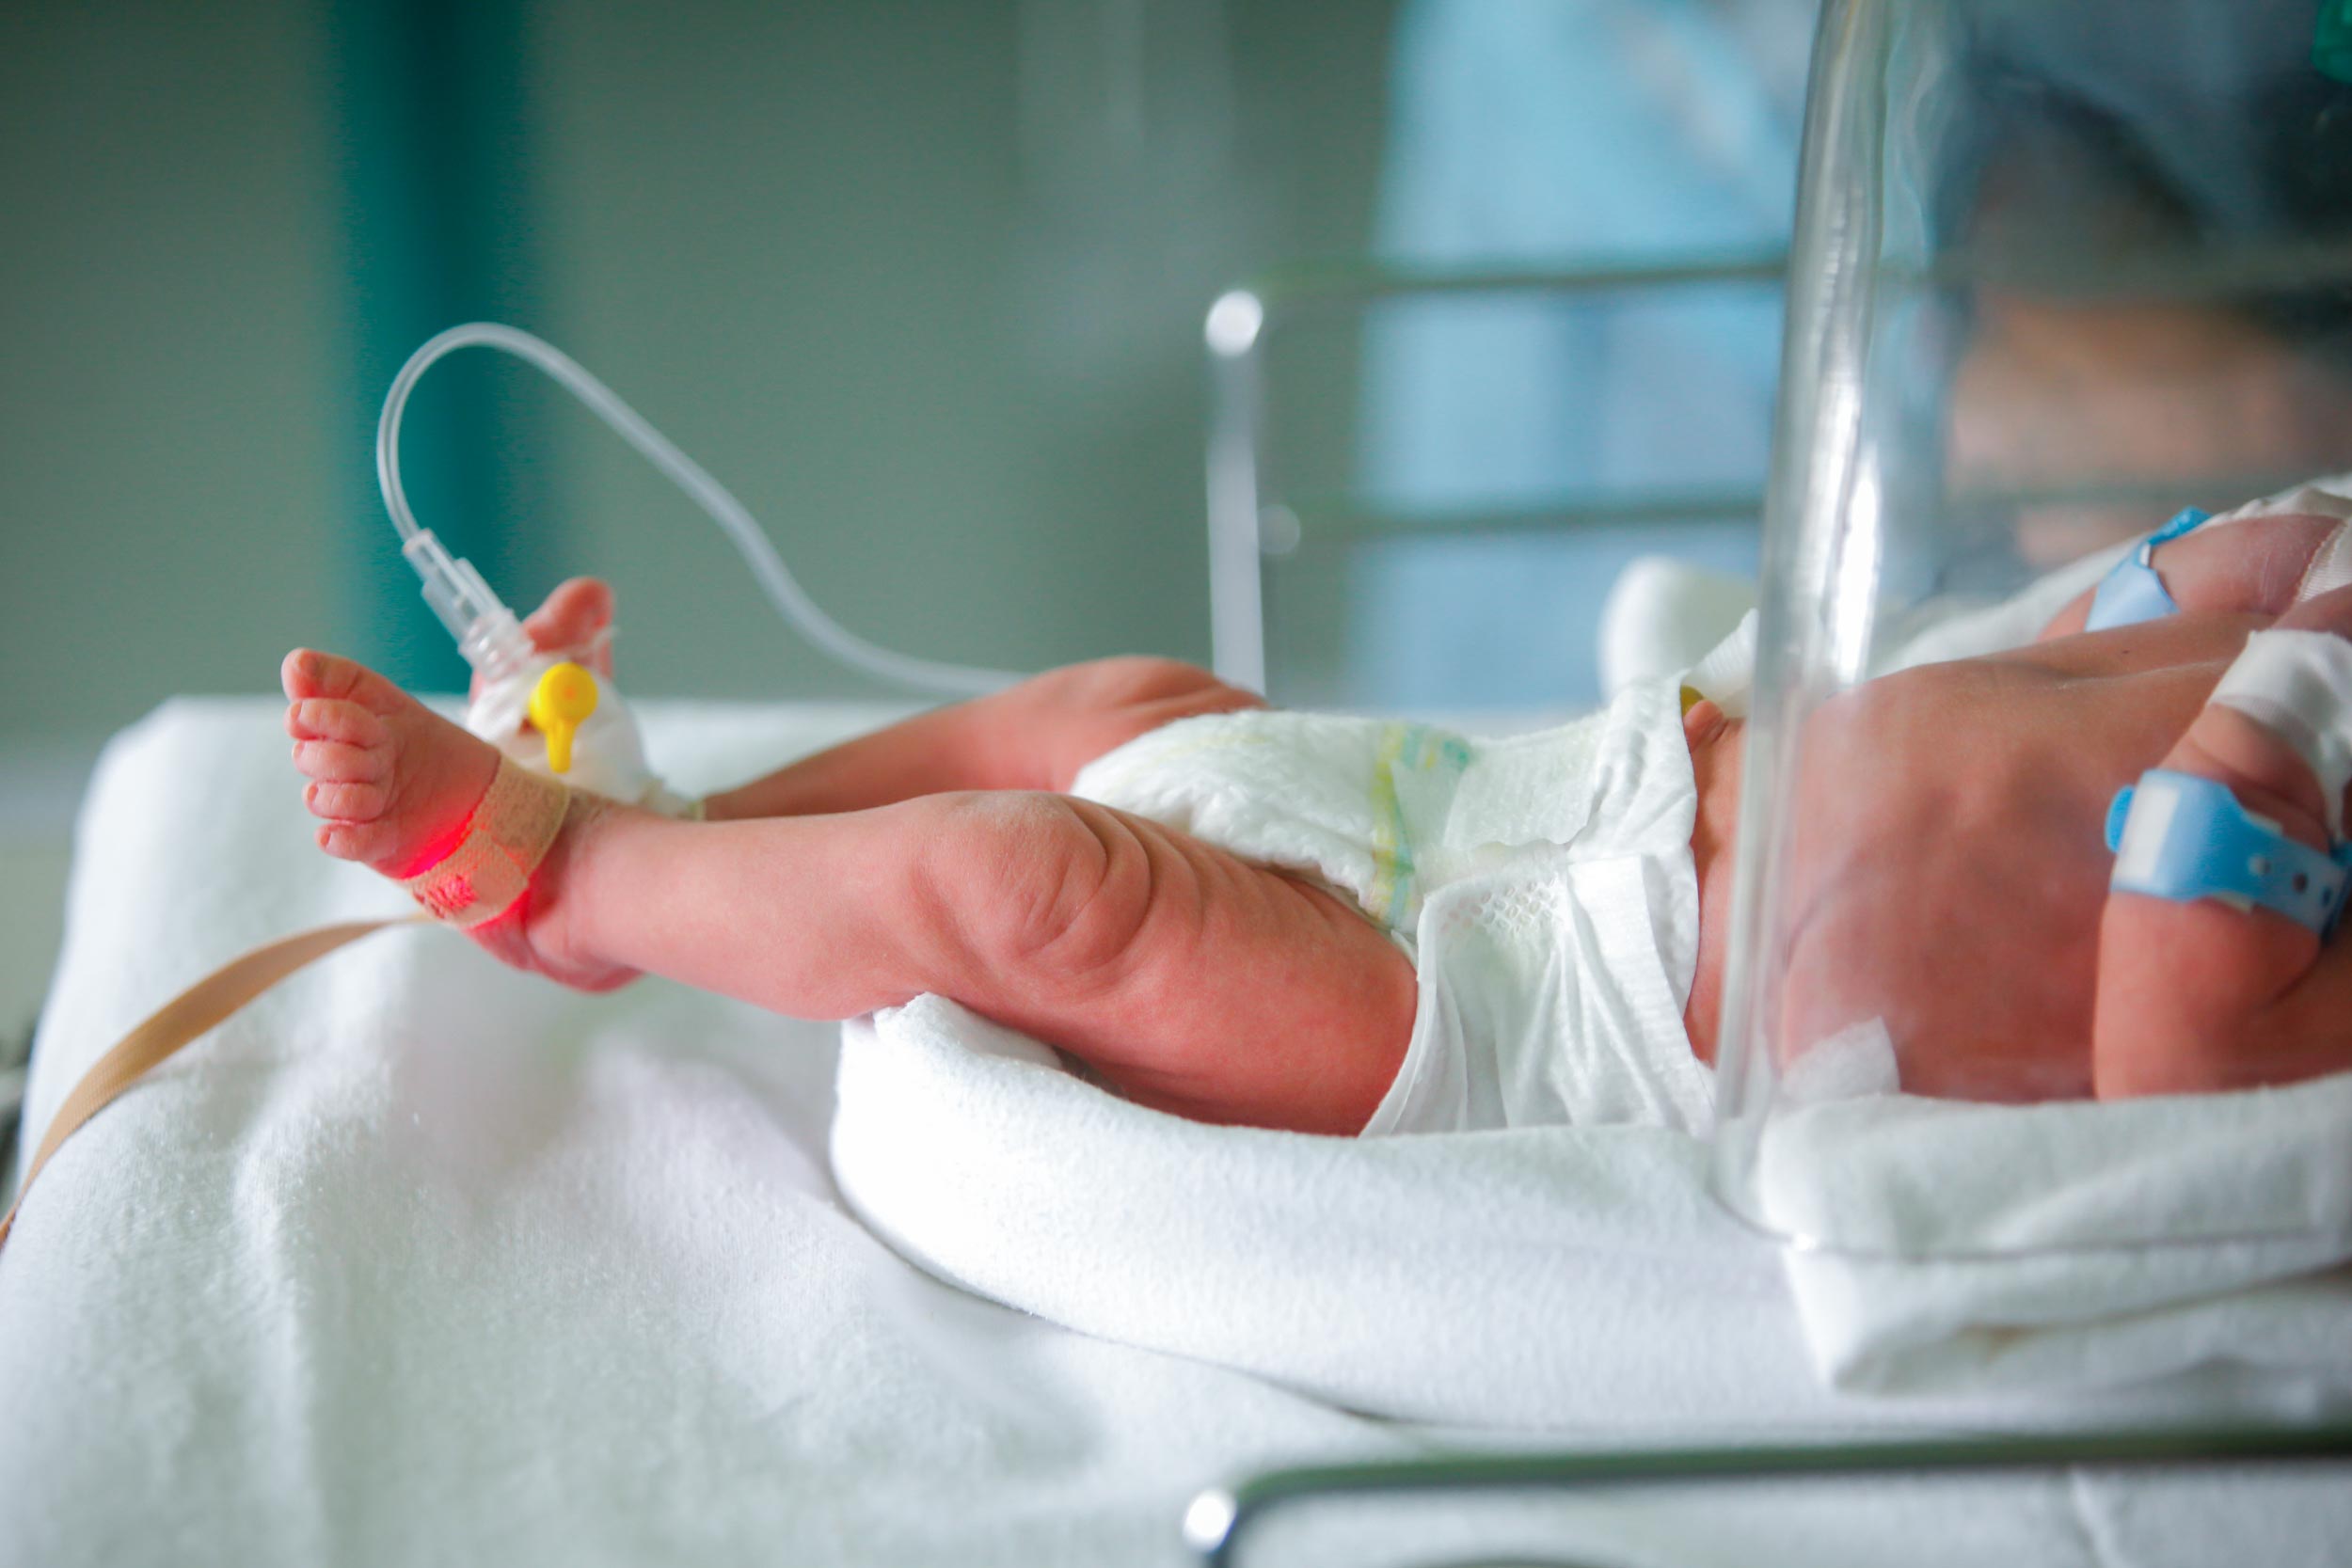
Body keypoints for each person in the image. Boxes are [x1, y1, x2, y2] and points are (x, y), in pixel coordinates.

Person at [279, 500, 2352, 1134]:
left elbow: (2183, 1035)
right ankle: (687, 819)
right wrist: (2240, 572)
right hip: (1554, 786)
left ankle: (580, 884)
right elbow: (2094, 617)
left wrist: (2294, 688)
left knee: (1046, 892)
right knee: (1109, 714)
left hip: (1541, 1022)